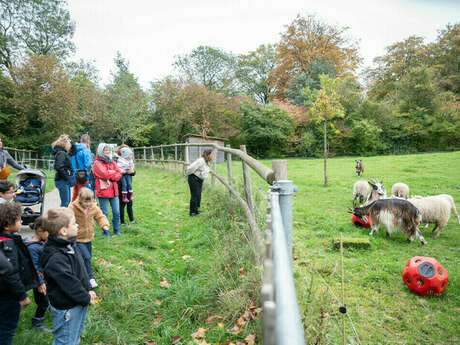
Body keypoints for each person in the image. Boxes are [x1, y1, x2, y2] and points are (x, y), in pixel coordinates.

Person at [40, 207, 98, 345]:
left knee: (74, 337)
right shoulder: (56, 258)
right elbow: (69, 283)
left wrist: (88, 288)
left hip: (77, 301)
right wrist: (85, 298)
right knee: (65, 341)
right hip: (67, 307)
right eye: (73, 223)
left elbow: (81, 269)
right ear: (63, 231)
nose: (77, 225)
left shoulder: (70, 244)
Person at [0, 203, 38, 345]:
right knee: (6, 329)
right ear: (7, 225)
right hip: (9, 295)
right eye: (19, 219)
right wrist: (22, 296)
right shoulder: (8, 246)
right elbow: (11, 273)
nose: (21, 222)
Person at [69, 187, 109, 287]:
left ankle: (80, 274)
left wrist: (104, 224)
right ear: (79, 199)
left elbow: (100, 216)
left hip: (88, 237)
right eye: (85, 202)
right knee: (86, 257)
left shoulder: (93, 207)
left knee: (87, 258)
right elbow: (67, 217)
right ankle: (90, 278)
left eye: (89, 201)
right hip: (77, 238)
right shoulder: (73, 207)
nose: (87, 204)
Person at [26, 217, 51, 332]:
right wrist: (40, 282)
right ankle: (37, 322)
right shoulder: (33, 248)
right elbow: (34, 266)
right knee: (43, 302)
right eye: (48, 233)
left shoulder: (41, 243)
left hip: (44, 278)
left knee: (48, 298)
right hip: (38, 281)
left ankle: (54, 312)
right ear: (40, 231)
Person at [93, 144, 122, 236]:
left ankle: (116, 230)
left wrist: (111, 174)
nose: (107, 151)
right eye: (105, 150)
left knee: (117, 212)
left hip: (114, 191)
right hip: (104, 191)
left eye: (108, 150)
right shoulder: (97, 163)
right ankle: (106, 231)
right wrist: (113, 173)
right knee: (104, 213)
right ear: (101, 151)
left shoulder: (111, 161)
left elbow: (119, 173)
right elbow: (104, 175)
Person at [185, 149, 214, 217]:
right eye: (212, 154)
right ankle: (192, 212)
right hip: (193, 178)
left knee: (198, 195)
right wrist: (188, 175)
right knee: (194, 195)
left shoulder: (207, 162)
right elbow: (191, 168)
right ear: (208, 154)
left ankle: (196, 210)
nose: (213, 156)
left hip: (199, 179)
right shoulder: (200, 161)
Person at [114, 145, 136, 226]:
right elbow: (116, 171)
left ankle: (132, 219)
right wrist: (126, 172)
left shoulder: (129, 160)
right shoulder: (117, 160)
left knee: (130, 203)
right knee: (122, 204)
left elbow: (133, 172)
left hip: (128, 185)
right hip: (121, 185)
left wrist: (132, 172)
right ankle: (122, 221)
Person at [52, 135, 75, 207]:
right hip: (62, 180)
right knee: (65, 202)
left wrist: (71, 141)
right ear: (65, 144)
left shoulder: (63, 152)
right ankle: (60, 217)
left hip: (63, 180)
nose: (70, 146)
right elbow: (58, 167)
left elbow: (74, 150)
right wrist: (67, 177)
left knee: (66, 201)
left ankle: (62, 216)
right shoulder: (61, 153)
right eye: (69, 144)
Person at [70, 134, 93, 202]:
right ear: (88, 141)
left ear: (80, 140)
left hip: (75, 175)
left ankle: (72, 210)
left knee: (75, 195)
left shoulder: (73, 149)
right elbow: (88, 164)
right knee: (85, 198)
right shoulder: (86, 150)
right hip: (83, 176)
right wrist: (88, 177)